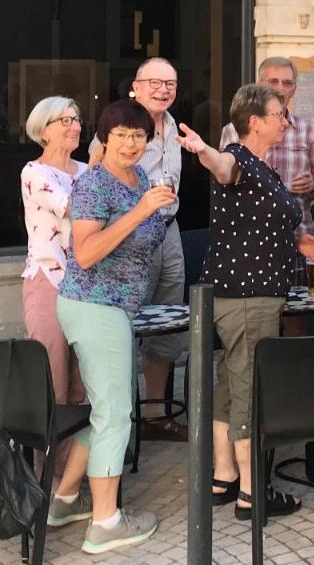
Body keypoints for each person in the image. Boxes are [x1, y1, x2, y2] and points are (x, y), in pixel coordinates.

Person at [180, 84, 314, 521]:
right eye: (279, 113)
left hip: (242, 293)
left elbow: (258, 221)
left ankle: (224, 477)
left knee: (230, 384)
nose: (286, 119)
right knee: (249, 389)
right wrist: (203, 148)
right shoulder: (237, 158)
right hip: (247, 296)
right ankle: (252, 493)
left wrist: (298, 240)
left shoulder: (265, 168)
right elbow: (221, 167)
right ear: (255, 122)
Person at [51, 99, 173, 554]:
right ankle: (105, 522)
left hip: (117, 310)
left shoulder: (139, 178)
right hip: (94, 305)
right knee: (115, 414)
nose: (130, 142)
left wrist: (157, 209)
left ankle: (64, 498)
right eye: (120, 133)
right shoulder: (93, 184)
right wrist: (141, 212)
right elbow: (85, 254)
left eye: (139, 135)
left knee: (105, 408)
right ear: (104, 137)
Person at [90, 57, 187, 441]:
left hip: (170, 228)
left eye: (170, 83)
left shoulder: (174, 124)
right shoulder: (117, 123)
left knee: (167, 319)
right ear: (137, 85)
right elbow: (94, 172)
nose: (163, 89)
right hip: (130, 236)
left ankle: (156, 414)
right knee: (126, 321)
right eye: (155, 82)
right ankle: (121, 418)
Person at [20, 96, 87, 475]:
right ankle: (47, 479)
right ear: (43, 129)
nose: (74, 126)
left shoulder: (86, 168)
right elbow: (78, 209)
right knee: (53, 381)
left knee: (81, 385)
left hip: (85, 284)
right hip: (49, 283)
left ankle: (73, 480)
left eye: (76, 119)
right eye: (64, 120)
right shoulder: (35, 172)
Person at [218, 56, 314, 240]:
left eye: (287, 83)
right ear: (259, 84)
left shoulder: (309, 131)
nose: (279, 89)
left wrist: (313, 184)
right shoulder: (233, 131)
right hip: (250, 238)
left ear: (294, 89)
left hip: (299, 236)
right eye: (273, 82)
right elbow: (223, 184)